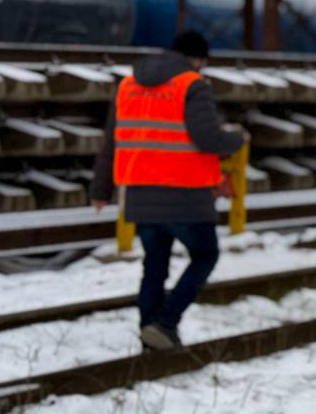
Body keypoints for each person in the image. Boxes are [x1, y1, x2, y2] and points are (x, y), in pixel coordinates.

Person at [90, 27, 247, 352]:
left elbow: (112, 141)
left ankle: (151, 332)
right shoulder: (193, 85)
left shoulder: (128, 85)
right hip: (185, 192)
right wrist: (237, 138)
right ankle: (165, 322)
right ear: (198, 59)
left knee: (155, 265)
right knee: (205, 255)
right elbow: (208, 139)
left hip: (140, 191)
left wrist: (100, 190)